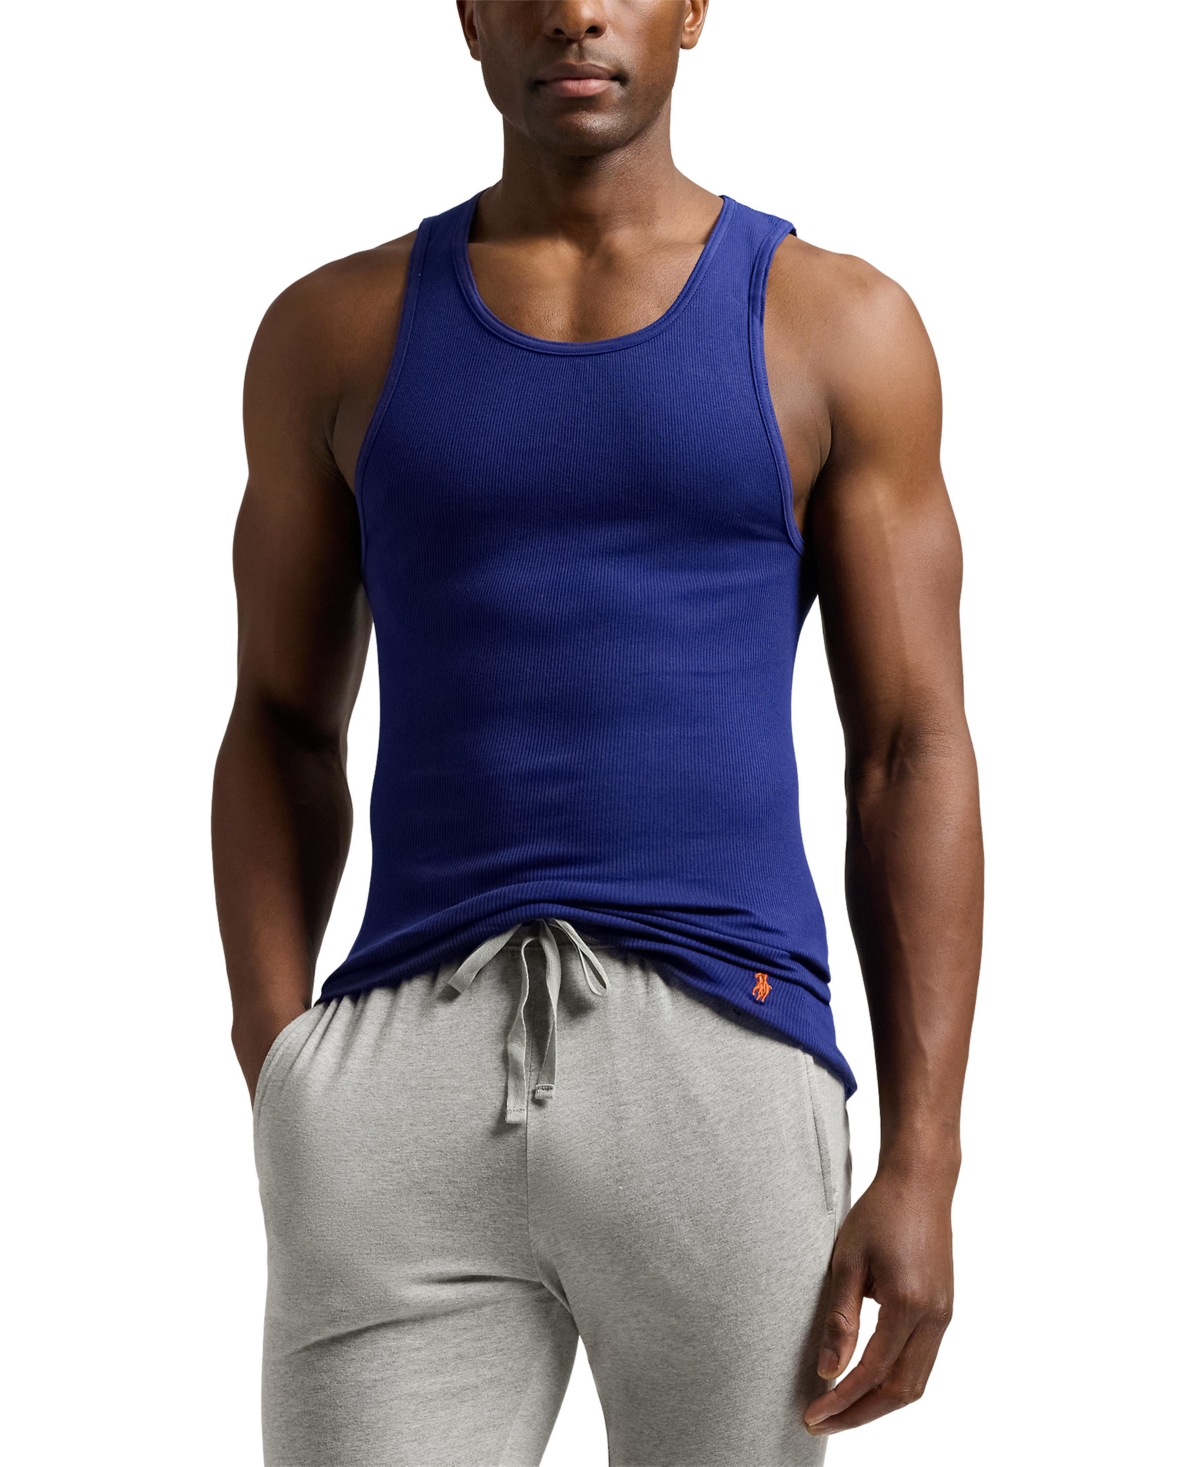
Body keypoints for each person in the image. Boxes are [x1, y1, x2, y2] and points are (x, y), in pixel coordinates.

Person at [212, 2, 983, 1462]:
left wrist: (925, 1158)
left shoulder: (834, 324)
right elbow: (278, 720)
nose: (575, 12)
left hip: (726, 1052)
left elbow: (909, 748)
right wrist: (279, 1058)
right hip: (402, 1065)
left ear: (691, 9)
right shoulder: (336, 331)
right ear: (468, 15)